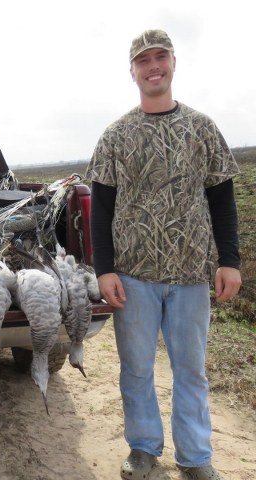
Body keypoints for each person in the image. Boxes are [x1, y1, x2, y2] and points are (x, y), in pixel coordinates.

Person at [85, 30, 241, 480]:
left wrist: (228, 260)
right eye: (143, 60)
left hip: (192, 274)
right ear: (132, 71)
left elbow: (222, 200)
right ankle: (143, 449)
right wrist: (105, 270)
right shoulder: (116, 135)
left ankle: (196, 458)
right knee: (136, 370)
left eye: (160, 57)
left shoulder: (203, 128)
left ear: (173, 62)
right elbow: (101, 211)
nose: (153, 66)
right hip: (133, 276)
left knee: (190, 371)